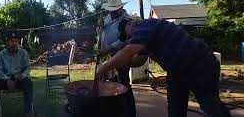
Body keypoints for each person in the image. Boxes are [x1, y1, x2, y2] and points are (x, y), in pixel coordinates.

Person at [97, 18, 232, 117]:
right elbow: (138, 60)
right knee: (175, 107)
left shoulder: (146, 24)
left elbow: (129, 51)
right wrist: (120, 63)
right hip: (177, 71)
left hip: (199, 63)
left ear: (130, 23)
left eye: (128, 35)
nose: (129, 38)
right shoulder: (144, 39)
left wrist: (104, 67)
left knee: (210, 105)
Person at [98, 0, 136, 117]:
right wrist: (99, 27)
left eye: (114, 9)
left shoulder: (127, 20)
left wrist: (108, 49)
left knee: (123, 85)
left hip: (121, 57)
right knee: (111, 85)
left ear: (120, 7)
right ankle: (116, 112)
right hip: (109, 55)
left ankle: (129, 113)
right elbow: (101, 31)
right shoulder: (108, 17)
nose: (112, 12)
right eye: (110, 10)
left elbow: (123, 40)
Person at [0, 33, 32, 117]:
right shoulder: (1, 54)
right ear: (7, 43)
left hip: (19, 79)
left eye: (16, 41)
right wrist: (7, 79)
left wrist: (22, 76)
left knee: (29, 83)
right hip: (6, 80)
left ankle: (28, 112)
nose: (14, 43)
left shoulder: (23, 53)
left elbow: (28, 68)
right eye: (12, 41)